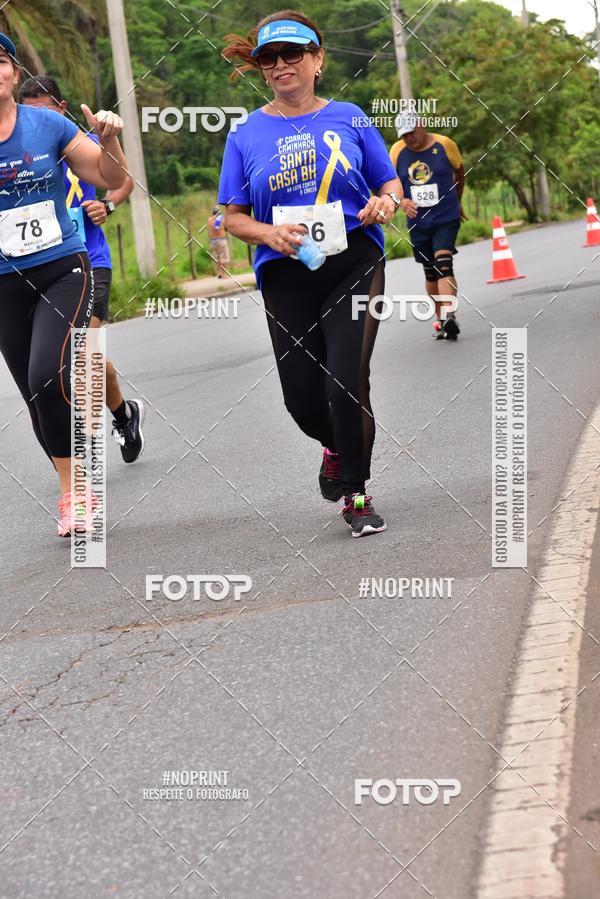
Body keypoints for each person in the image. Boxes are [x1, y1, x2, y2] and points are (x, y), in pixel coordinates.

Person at [219, 11, 403, 537]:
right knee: (302, 399)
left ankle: (357, 493)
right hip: (285, 273)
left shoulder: (350, 117)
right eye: (269, 58)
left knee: (346, 380)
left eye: (293, 54)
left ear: (317, 60)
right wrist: (266, 234)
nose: (281, 66)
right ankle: (333, 446)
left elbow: (389, 187)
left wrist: (385, 206)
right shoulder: (245, 134)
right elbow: (231, 216)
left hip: (353, 262)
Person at [0, 33, 129, 536]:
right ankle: (72, 490)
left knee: (46, 376)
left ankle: (78, 493)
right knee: (35, 395)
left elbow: (105, 174)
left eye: (1, 61)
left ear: (13, 72)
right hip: (4, 282)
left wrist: (110, 136)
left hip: (62, 268)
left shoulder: (47, 124)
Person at [18, 75, 145, 463]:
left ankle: (84, 452)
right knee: (69, 361)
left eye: (45, 110)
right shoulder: (20, 150)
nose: (37, 119)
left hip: (89, 260)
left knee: (84, 353)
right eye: (30, 111)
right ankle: (123, 412)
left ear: (61, 108)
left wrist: (108, 205)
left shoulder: (80, 142)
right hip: (38, 265)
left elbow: (124, 182)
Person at [390, 113, 466, 340]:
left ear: (421, 125)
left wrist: (458, 202)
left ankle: (450, 315)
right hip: (418, 222)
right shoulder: (396, 151)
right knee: (430, 271)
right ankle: (441, 319)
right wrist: (402, 202)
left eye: (412, 132)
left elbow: (460, 174)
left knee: (444, 262)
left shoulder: (445, 144)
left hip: (446, 216)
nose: (409, 138)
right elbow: (387, 183)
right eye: (404, 135)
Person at [207, 204, 230, 278]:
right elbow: (226, 228)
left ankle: (219, 273)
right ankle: (224, 274)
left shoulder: (209, 220)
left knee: (217, 258)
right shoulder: (222, 219)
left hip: (213, 241)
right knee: (224, 257)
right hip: (221, 240)